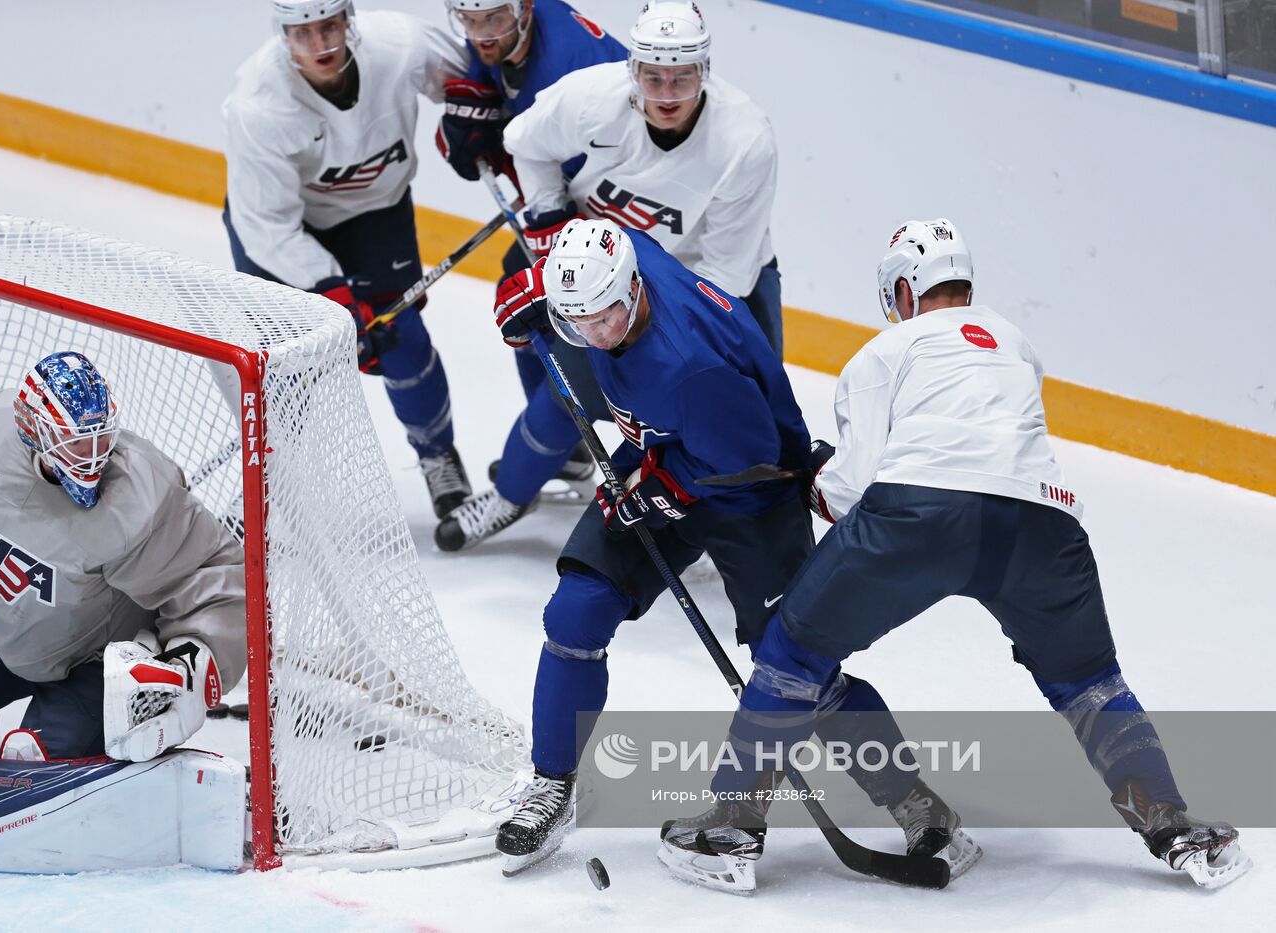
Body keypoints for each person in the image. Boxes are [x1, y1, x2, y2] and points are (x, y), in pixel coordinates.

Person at [668, 219, 1251, 891]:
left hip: (920, 517)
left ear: (906, 292)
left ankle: (729, 830)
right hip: (1044, 525)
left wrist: (820, 486)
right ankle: (1178, 828)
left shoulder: (884, 352)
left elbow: (854, 487)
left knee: (791, 654)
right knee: (1092, 684)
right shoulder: (1016, 342)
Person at [487, 219, 972, 882]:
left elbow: (751, 457)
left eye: (604, 318)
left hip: (751, 493)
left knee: (799, 673)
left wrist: (662, 489)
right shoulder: (619, 261)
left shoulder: (692, 363)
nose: (595, 335)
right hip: (665, 449)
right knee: (575, 613)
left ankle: (922, 809)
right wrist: (532, 290)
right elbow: (571, 242)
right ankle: (551, 782)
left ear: (632, 288)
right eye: (579, 321)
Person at [438, 0, 784, 551]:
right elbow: (523, 142)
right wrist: (551, 222)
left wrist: (652, 336)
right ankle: (510, 494)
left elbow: (723, 278)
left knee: (742, 408)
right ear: (633, 71)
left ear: (706, 70)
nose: (667, 94)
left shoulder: (744, 139)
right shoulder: (591, 98)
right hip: (604, 272)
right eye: (653, 76)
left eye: (683, 76)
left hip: (701, 282)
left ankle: (726, 531)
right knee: (568, 393)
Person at [0, 351, 245, 763]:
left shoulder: (137, 497)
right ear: (33, 430)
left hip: (100, 659)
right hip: (17, 620)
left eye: (99, 436)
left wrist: (191, 664)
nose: (93, 454)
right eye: (75, 441)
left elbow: (214, 576)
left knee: (30, 761)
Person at [222, 0, 473, 519]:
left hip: (376, 213)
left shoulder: (399, 45)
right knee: (284, 364)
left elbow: (473, 80)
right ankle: (269, 483)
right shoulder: (258, 104)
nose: (321, 44)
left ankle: (438, 456)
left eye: (330, 25)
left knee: (401, 342)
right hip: (282, 235)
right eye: (304, 32)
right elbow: (267, 227)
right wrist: (330, 290)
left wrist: (477, 119)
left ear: (349, 20)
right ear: (283, 34)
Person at [431, 0, 625, 550]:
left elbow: (622, 166)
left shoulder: (571, 61)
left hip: (615, 226)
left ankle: (517, 487)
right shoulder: (502, 30)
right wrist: (477, 109)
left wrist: (554, 224)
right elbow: (502, 98)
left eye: (491, 19)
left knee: (570, 355)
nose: (480, 34)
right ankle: (562, 455)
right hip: (570, 207)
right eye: (468, 21)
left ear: (523, 8)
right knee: (522, 304)